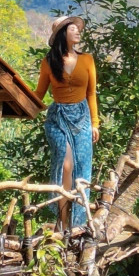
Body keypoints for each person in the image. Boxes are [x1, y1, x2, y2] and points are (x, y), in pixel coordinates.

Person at [34, 15, 99, 232]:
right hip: (58, 118)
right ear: (63, 33)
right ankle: (61, 221)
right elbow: (39, 94)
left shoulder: (88, 59)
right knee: (66, 165)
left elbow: (91, 93)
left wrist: (95, 123)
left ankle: (76, 220)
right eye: (73, 29)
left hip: (82, 118)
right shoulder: (48, 62)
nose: (78, 32)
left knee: (81, 168)